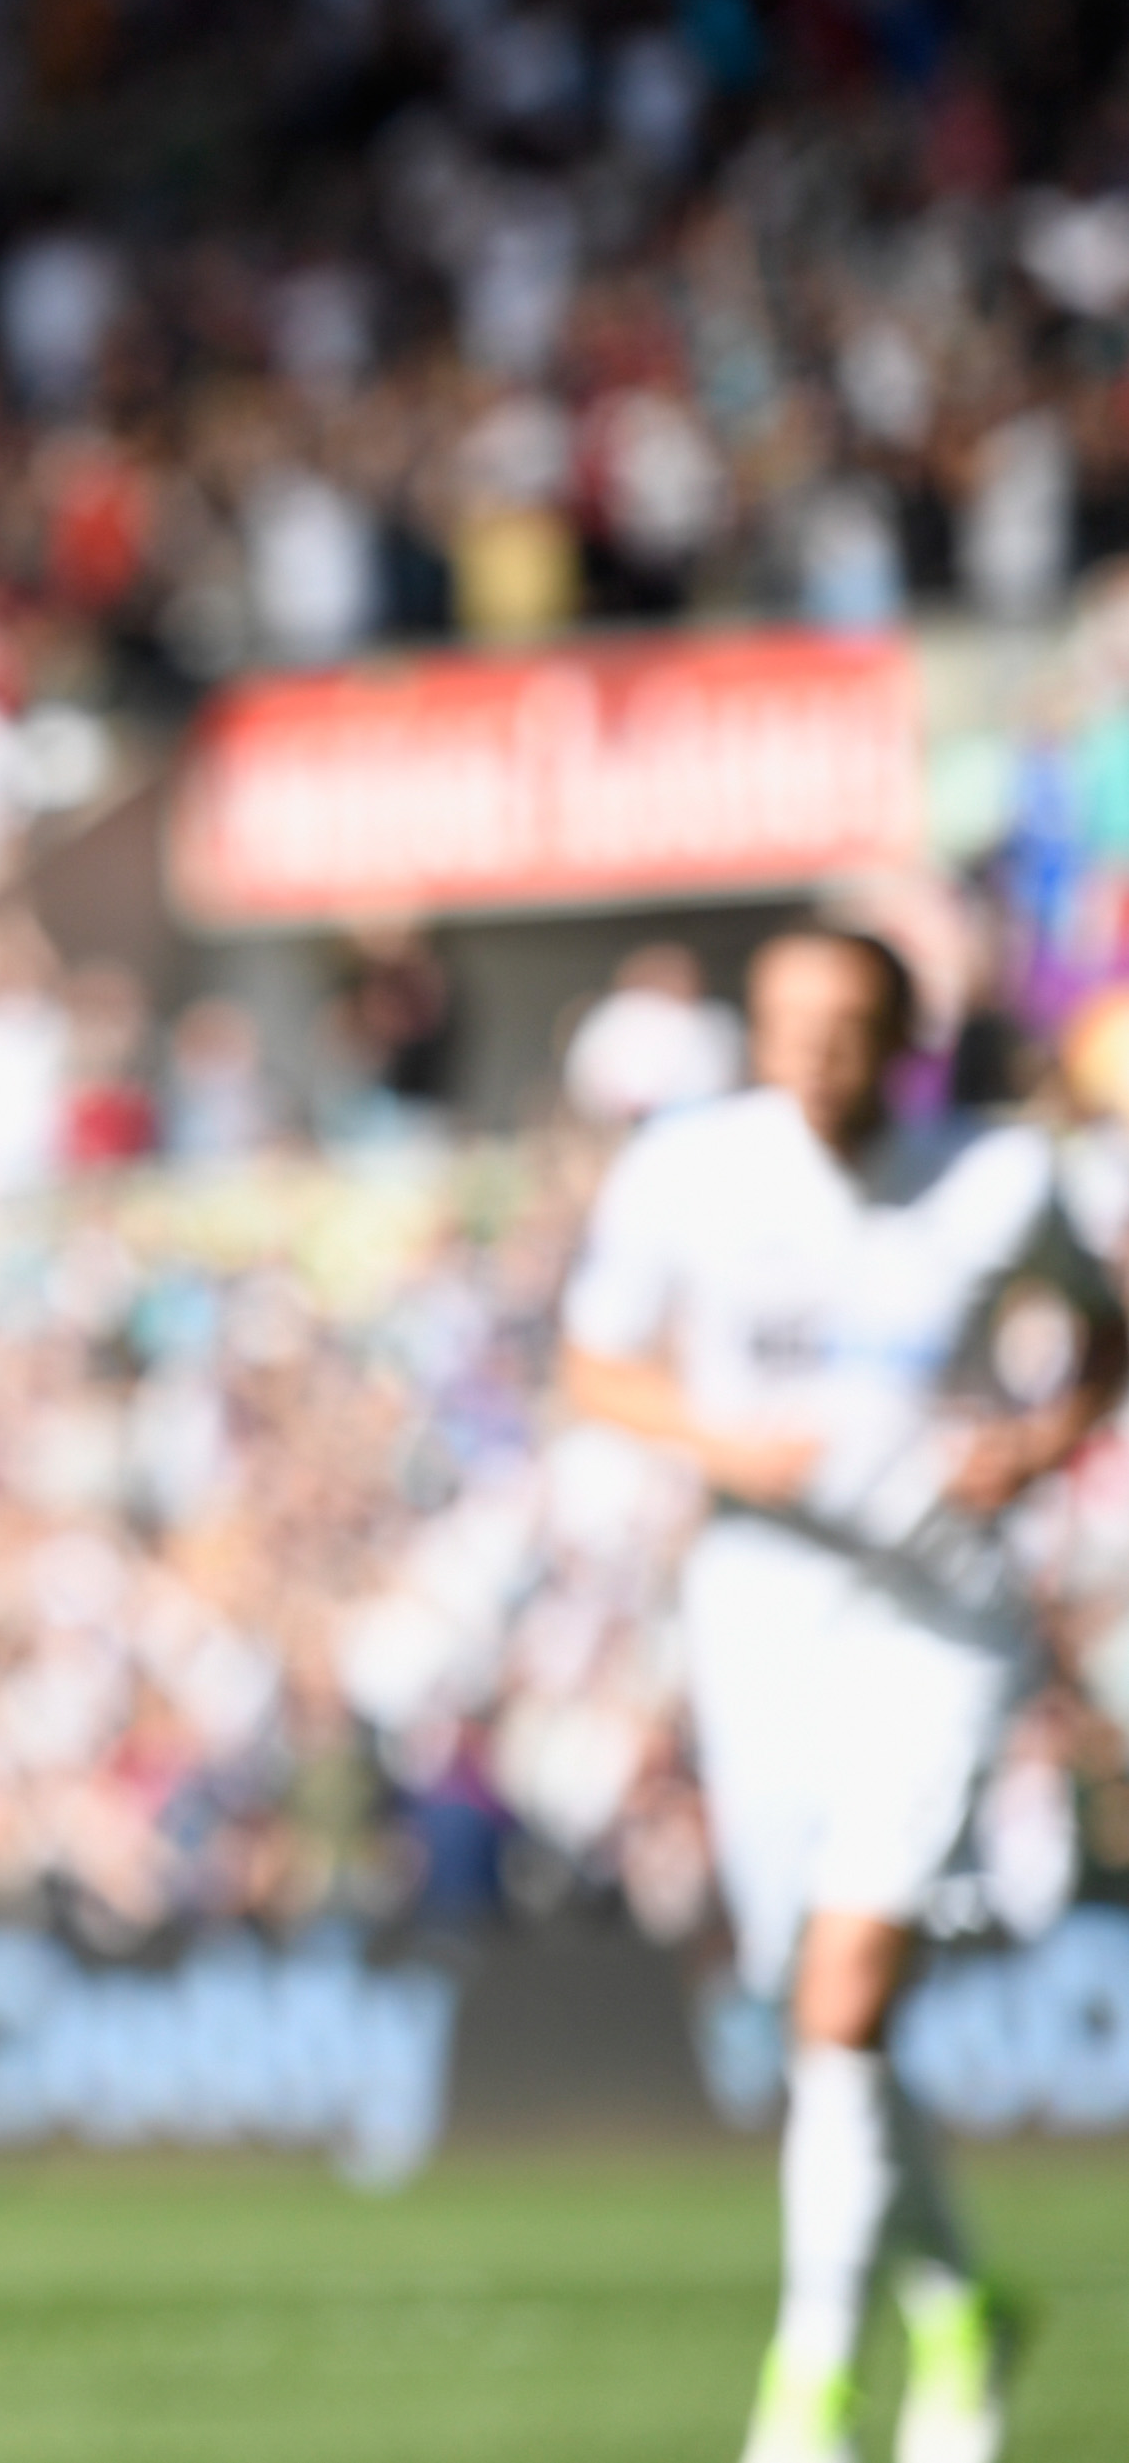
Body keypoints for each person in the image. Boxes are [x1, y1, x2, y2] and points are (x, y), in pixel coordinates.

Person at [560, 926, 1120, 2463]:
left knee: (846, 1982)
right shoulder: (683, 1171)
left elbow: (1097, 1336)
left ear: (901, 1040)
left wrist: (1033, 1437)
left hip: (935, 1618)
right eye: (785, 1024)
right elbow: (593, 1364)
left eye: (845, 1026)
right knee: (820, 2017)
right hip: (758, 1608)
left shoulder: (994, 1177)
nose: (810, 1052)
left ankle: (805, 2387)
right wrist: (725, 1447)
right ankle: (961, 2304)